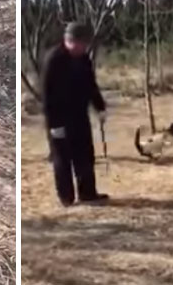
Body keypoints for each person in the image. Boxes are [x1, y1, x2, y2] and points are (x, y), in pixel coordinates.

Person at [41, 22, 110, 207]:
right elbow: (47, 97)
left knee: (85, 155)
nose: (84, 47)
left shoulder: (84, 59)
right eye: (82, 44)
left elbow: (91, 85)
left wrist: (100, 107)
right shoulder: (53, 60)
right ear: (70, 41)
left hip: (79, 115)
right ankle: (66, 198)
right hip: (59, 119)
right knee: (63, 159)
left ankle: (88, 193)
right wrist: (54, 125)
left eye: (86, 44)